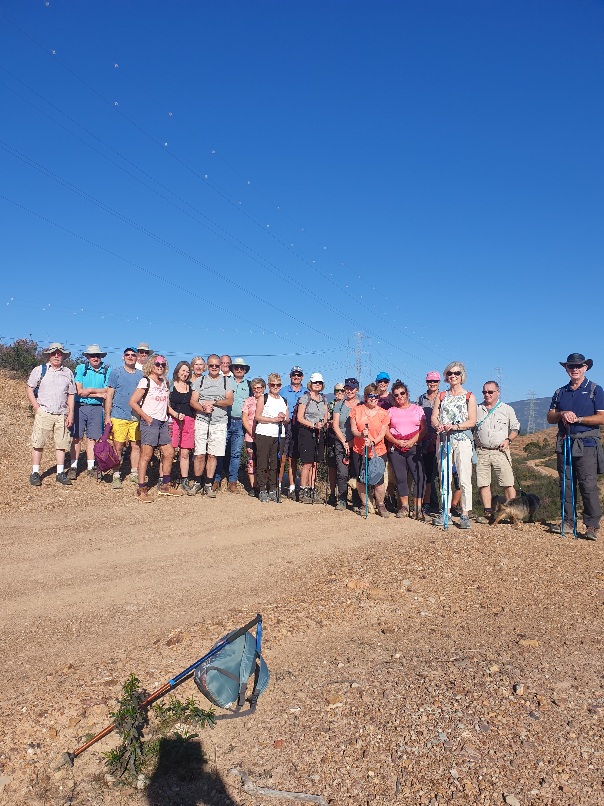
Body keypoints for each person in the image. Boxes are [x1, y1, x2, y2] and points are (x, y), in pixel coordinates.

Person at [546, 353, 604, 541]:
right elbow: (550, 417)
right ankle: (568, 522)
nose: (575, 369)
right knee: (566, 484)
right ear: (566, 369)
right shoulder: (559, 392)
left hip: (587, 443)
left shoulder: (596, 389)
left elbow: (602, 417)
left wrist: (579, 419)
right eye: (571, 366)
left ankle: (592, 525)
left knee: (587, 485)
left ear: (585, 367)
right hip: (565, 442)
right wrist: (562, 413)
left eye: (579, 366)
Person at [129, 354, 184, 501]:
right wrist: (147, 418)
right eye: (157, 364)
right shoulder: (145, 381)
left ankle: (165, 486)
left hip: (163, 422)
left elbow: (165, 405)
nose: (160, 366)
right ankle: (141, 489)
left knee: (169, 453)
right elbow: (133, 402)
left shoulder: (164, 382)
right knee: (146, 455)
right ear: (151, 365)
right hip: (150, 422)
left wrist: (176, 415)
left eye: (163, 364)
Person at [431, 362, 477, 530]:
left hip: (462, 440)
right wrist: (438, 426)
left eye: (456, 373)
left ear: (461, 375)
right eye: (449, 373)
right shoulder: (441, 395)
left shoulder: (469, 396)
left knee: (464, 477)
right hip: (443, 440)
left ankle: (465, 513)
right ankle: (446, 511)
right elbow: (434, 417)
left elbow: (472, 421)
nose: (453, 376)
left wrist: (456, 426)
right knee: (445, 477)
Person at [27, 342, 76, 487]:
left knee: (61, 445)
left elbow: (71, 395)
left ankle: (60, 473)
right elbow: (30, 389)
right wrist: (37, 407)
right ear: (49, 355)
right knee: (38, 443)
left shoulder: (68, 372)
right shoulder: (40, 370)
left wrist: (70, 414)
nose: (56, 356)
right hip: (44, 412)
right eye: (54, 353)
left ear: (63, 356)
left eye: (59, 353)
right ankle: (35, 472)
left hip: (62, 414)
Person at [474, 381, 520, 523]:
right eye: (484, 392)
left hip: (500, 452)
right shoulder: (476, 409)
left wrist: (508, 440)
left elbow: (515, 428)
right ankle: (488, 512)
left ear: (498, 392)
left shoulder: (507, 409)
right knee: (483, 483)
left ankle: (513, 514)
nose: (487, 394)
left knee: (507, 482)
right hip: (481, 451)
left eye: (490, 392)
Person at [189, 354, 234, 498]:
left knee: (213, 454)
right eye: (211, 365)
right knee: (199, 453)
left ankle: (208, 484)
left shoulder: (227, 382)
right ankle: (197, 482)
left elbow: (229, 401)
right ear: (207, 366)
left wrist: (213, 402)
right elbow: (193, 401)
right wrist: (203, 408)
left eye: (216, 365)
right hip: (202, 420)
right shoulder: (200, 380)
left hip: (219, 422)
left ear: (221, 366)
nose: (214, 368)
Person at [385, 381, 427, 519]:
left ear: (407, 394)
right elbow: (385, 430)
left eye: (402, 393)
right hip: (396, 448)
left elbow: (424, 429)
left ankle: (418, 508)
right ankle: (404, 507)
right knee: (401, 478)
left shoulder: (417, 409)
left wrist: (411, 441)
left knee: (419, 477)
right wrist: (397, 441)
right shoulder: (391, 411)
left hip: (414, 447)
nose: (399, 397)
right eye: (396, 395)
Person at [104, 347, 143, 489]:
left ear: (137, 358)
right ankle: (116, 474)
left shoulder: (141, 375)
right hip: (118, 415)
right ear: (123, 357)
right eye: (128, 355)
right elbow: (109, 395)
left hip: (135, 416)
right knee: (118, 446)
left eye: (133, 355)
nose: (130, 357)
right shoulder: (116, 372)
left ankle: (134, 473)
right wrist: (107, 415)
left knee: (136, 446)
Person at [69, 344, 110, 479]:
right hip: (79, 406)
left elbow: (108, 390)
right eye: (92, 355)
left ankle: (91, 466)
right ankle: (73, 466)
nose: (95, 358)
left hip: (97, 408)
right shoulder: (81, 368)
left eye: (97, 355)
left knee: (92, 437)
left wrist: (90, 390)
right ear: (87, 357)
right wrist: (98, 394)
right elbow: (79, 391)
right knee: (77, 437)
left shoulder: (106, 370)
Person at [350, 383, 390, 517]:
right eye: (371, 395)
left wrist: (372, 441)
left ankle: (381, 504)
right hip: (359, 450)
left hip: (378, 451)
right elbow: (354, 429)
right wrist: (362, 435)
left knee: (378, 480)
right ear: (366, 396)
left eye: (376, 396)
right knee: (361, 479)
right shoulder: (357, 410)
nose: (373, 398)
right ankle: (365, 504)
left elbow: (382, 433)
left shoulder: (384, 413)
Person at [215, 357, 251, 492]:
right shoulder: (225, 381)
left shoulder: (249, 385)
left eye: (242, 368)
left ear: (245, 370)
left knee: (235, 453)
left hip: (240, 422)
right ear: (232, 369)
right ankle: (216, 479)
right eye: (236, 367)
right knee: (220, 450)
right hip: (225, 420)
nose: (239, 370)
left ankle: (232, 481)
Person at [254, 373, 289, 503]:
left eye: (278, 384)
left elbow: (287, 419)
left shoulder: (283, 400)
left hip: (279, 434)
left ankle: (273, 489)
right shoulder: (264, 398)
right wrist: (273, 419)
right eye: (273, 384)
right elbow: (257, 417)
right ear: (268, 385)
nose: (275, 387)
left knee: (276, 463)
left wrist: (282, 418)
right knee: (263, 462)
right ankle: (262, 489)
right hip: (264, 433)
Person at [296, 372, 328, 503]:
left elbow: (326, 415)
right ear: (311, 384)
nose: (317, 385)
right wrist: (313, 425)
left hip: (319, 433)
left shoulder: (324, 399)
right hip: (307, 433)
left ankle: (312, 490)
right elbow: (299, 417)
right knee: (307, 463)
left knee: (315, 463)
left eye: (319, 383)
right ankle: (303, 490)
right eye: (315, 382)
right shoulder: (305, 398)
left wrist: (323, 423)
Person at [331, 378, 360, 510]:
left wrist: (351, 442)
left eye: (352, 388)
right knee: (342, 473)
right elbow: (335, 425)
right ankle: (341, 499)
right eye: (347, 388)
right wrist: (344, 442)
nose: (349, 391)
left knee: (356, 472)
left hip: (357, 443)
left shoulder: (361, 405)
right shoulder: (339, 405)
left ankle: (357, 500)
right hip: (341, 442)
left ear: (357, 389)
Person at [417, 371, 441, 515]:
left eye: (435, 381)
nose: (432, 384)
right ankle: (430, 504)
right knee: (428, 474)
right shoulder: (421, 399)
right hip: (426, 440)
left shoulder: (445, 397)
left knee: (444, 474)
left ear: (439, 382)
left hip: (442, 438)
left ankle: (449, 506)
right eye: (430, 381)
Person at [170, 361, 195, 492]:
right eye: (183, 370)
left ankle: (184, 479)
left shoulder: (191, 387)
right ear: (177, 370)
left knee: (185, 453)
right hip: (172, 420)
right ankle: (164, 479)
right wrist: (174, 413)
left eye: (187, 371)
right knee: (169, 452)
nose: (185, 373)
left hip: (189, 421)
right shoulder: (169, 385)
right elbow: (165, 403)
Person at [281, 366, 305, 498]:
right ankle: (282, 486)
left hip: (301, 427)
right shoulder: (283, 391)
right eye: (294, 375)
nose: (296, 377)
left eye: (299, 375)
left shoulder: (306, 392)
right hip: (286, 425)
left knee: (295, 458)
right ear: (290, 376)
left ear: (302, 377)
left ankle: (295, 487)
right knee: (283, 457)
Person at [242, 377, 265, 496]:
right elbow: (244, 418)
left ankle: (262, 485)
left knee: (263, 460)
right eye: (254, 388)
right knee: (251, 461)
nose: (257, 390)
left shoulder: (268, 400)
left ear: (264, 388)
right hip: (250, 435)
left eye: (259, 387)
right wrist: (251, 432)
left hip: (265, 435)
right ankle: (253, 486)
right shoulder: (248, 401)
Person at [326, 382, 346, 504]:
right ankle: (333, 494)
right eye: (337, 391)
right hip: (332, 438)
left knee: (344, 468)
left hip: (345, 439)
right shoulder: (330, 404)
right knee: (332, 467)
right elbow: (326, 420)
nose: (339, 393)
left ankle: (344, 494)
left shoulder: (347, 405)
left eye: (342, 391)